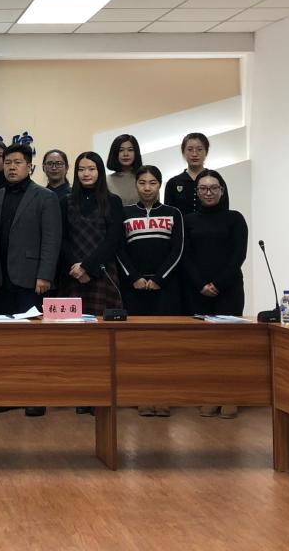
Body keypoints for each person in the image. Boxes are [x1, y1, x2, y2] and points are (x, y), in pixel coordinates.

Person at [0, 143, 61, 417]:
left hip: (32, 280)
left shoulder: (45, 197)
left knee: (33, 341)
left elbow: (52, 239)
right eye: (7, 162)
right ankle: (8, 394)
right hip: (1, 280)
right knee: (4, 342)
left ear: (29, 166)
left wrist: (45, 274)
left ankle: (35, 395)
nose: (11, 167)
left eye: (17, 162)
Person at [116, 165, 184, 418]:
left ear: (160, 185)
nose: (147, 188)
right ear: (136, 185)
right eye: (142, 183)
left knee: (164, 345)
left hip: (165, 289)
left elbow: (178, 249)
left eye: (152, 183)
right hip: (134, 289)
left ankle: (163, 397)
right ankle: (141, 396)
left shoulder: (173, 213)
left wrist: (159, 279)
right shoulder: (125, 213)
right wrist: (134, 278)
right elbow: (118, 249)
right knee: (138, 345)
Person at [183, 169, 247, 420]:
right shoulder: (188, 220)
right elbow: (185, 256)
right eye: (203, 188)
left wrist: (218, 284)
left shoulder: (235, 218)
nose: (208, 192)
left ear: (222, 190)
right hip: (197, 291)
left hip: (229, 290)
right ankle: (209, 395)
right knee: (204, 347)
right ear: (197, 192)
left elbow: (238, 255)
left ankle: (230, 396)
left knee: (229, 345)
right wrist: (201, 284)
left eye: (213, 188)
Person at [57, 151, 125, 317]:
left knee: (103, 326)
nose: (86, 174)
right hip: (72, 273)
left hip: (103, 272)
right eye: (81, 169)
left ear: (100, 171)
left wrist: (87, 267)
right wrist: (76, 267)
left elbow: (113, 240)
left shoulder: (113, 201)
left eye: (91, 169)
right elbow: (62, 239)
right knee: (70, 325)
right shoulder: (65, 201)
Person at [164, 133, 209, 216]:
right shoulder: (173, 183)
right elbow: (168, 215)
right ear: (183, 152)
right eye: (190, 149)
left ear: (206, 152)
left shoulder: (215, 180)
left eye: (199, 149)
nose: (195, 154)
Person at [105, 134, 142, 207]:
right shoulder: (106, 181)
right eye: (121, 150)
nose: (126, 154)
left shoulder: (144, 178)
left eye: (130, 150)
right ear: (115, 153)